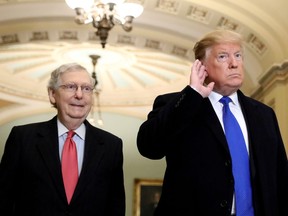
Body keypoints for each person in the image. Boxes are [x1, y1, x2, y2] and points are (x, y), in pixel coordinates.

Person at [137, 29, 288, 216]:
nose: (234, 64)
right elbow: (149, 147)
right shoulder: (179, 104)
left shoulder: (264, 114)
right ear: (202, 67)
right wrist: (192, 94)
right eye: (223, 57)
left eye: (238, 55)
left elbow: (280, 176)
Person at [0, 63, 125, 216]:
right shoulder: (22, 138)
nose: (79, 95)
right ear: (53, 94)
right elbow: (3, 200)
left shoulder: (111, 146)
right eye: (71, 87)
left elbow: (115, 208)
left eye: (86, 89)